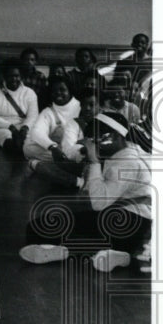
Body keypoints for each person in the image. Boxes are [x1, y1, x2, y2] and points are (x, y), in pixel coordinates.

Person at [20, 111, 152, 271]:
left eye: (98, 140)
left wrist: (94, 161)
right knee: (69, 224)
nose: (94, 145)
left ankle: (83, 252)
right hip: (134, 227)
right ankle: (118, 255)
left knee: (38, 228)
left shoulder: (126, 164)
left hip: (126, 223)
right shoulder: (130, 153)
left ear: (117, 137)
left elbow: (97, 204)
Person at [0, 59, 39, 155]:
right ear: (4, 76)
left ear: (21, 76)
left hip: (23, 127)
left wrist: (24, 128)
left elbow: (33, 116)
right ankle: (14, 146)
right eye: (10, 76)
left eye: (17, 76)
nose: (14, 79)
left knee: (34, 136)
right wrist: (11, 127)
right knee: (6, 137)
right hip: (0, 127)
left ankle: (23, 147)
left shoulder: (29, 93)